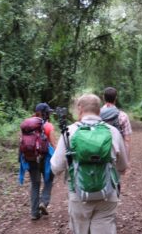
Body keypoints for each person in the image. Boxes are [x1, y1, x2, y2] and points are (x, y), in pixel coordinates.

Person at [50, 94, 128, 234]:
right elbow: (122, 166)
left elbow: (56, 167)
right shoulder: (113, 132)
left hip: (78, 195)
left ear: (80, 109)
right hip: (107, 194)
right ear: (99, 110)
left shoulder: (69, 132)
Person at [19, 102, 57, 220]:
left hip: (31, 158)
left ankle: (34, 213)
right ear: (45, 113)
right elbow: (53, 144)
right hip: (45, 159)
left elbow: (22, 142)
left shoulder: (28, 125)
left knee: (35, 184)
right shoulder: (48, 126)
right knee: (49, 180)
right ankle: (43, 202)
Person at [101, 87, 133, 161]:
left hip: (100, 152)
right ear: (116, 98)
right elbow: (127, 140)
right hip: (117, 152)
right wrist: (126, 161)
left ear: (103, 97)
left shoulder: (97, 114)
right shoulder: (123, 115)